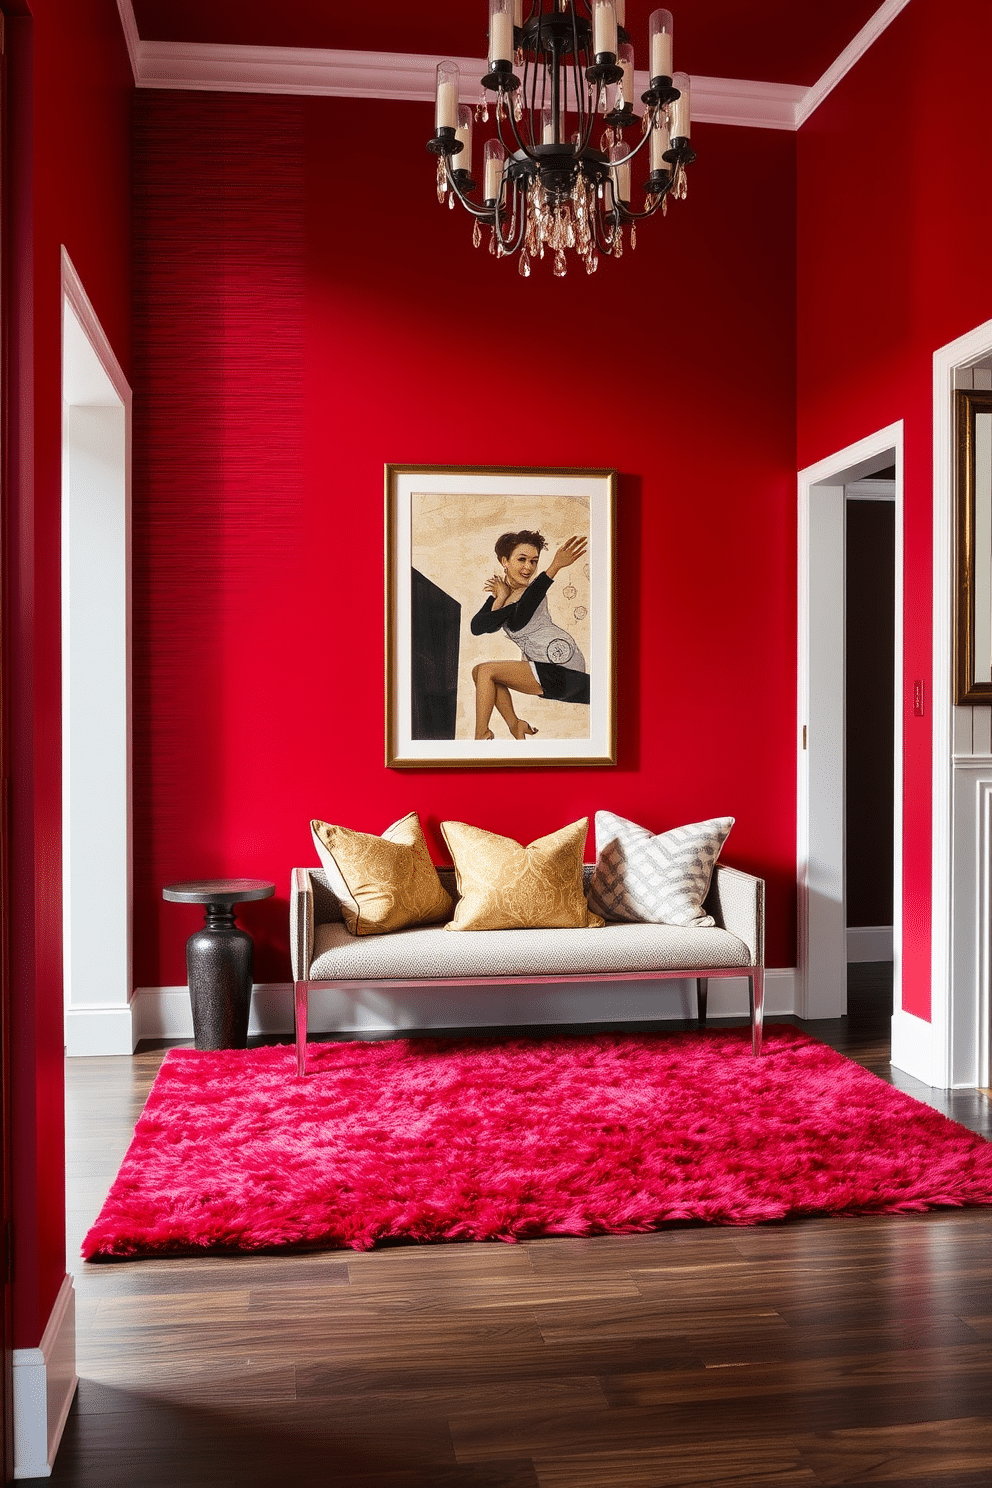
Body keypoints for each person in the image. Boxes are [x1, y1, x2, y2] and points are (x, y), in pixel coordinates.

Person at [470, 529, 589, 740]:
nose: (528, 568)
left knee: (487, 671)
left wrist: (554, 567)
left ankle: (481, 734)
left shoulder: (532, 591)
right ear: (504, 561)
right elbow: (479, 627)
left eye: (534, 561)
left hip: (563, 667)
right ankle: (515, 724)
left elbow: (517, 620)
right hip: (544, 666)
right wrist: (499, 599)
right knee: (478, 672)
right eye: (522, 559)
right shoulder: (504, 594)